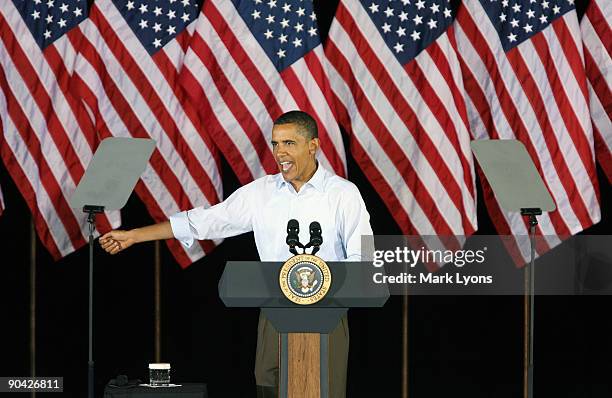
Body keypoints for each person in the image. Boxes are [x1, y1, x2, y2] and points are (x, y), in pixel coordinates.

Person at [100, 111, 372, 398]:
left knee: (320, 390)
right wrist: (135, 235)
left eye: (289, 143)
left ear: (312, 146)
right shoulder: (262, 193)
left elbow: (362, 259)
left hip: (325, 316)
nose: (280, 152)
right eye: (275, 144)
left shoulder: (344, 194)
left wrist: (326, 293)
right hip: (275, 312)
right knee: (269, 387)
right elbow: (207, 220)